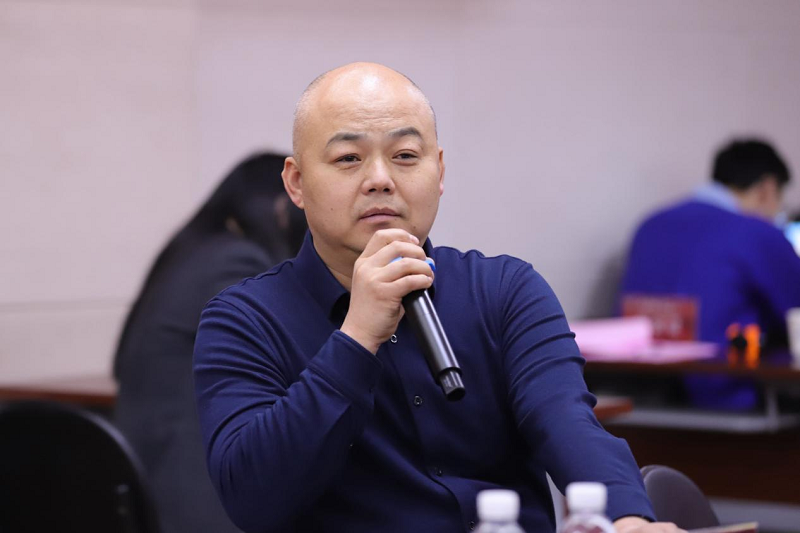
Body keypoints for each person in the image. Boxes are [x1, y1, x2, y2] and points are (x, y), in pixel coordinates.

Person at [194, 63, 676, 533]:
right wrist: (355, 338)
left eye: (405, 156)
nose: (380, 179)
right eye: (348, 159)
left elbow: (565, 422)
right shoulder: (243, 320)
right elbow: (253, 499)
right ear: (296, 183)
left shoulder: (505, 291)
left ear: (439, 171)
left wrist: (627, 517)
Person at [114, 152, 307, 533]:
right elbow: (290, 360)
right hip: (190, 479)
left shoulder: (194, 249)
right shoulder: (234, 262)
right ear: (278, 205)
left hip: (146, 460)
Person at [619, 139, 800, 410]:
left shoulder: (650, 225)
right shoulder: (757, 232)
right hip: (726, 398)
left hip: (638, 400)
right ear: (767, 188)